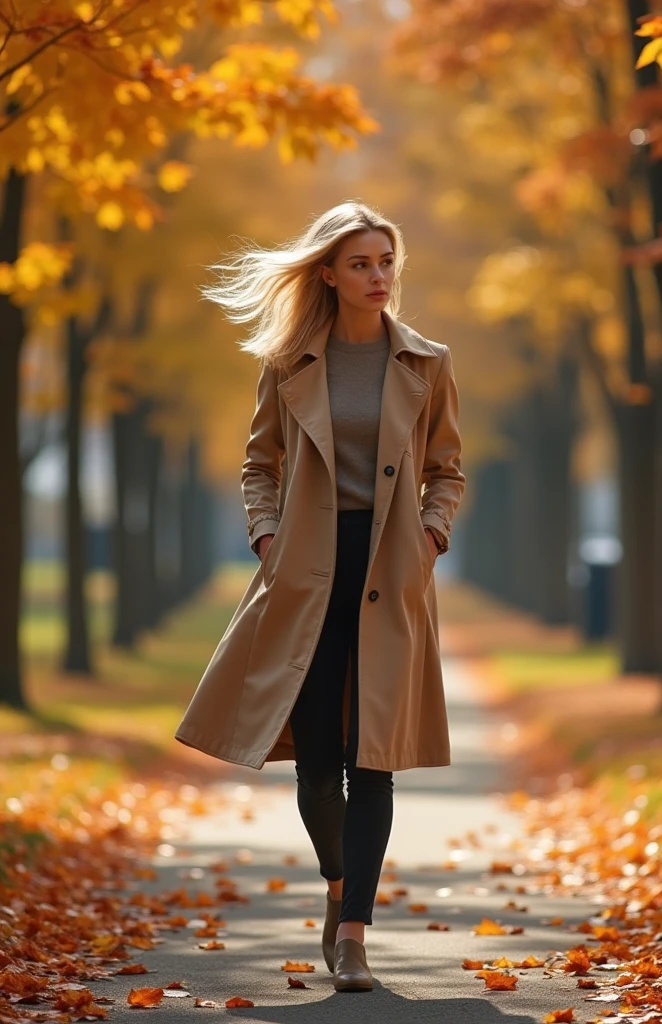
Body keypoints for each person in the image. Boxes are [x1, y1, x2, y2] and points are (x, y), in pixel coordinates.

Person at [174, 200, 466, 993]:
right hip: (306, 569)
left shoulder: (428, 362)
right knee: (318, 765)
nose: (379, 276)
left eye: (386, 262)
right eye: (363, 263)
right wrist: (266, 535)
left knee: (375, 761)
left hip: (390, 565)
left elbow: (448, 469)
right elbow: (257, 465)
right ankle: (339, 886)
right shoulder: (288, 363)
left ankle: (355, 934)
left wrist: (431, 536)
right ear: (329, 274)